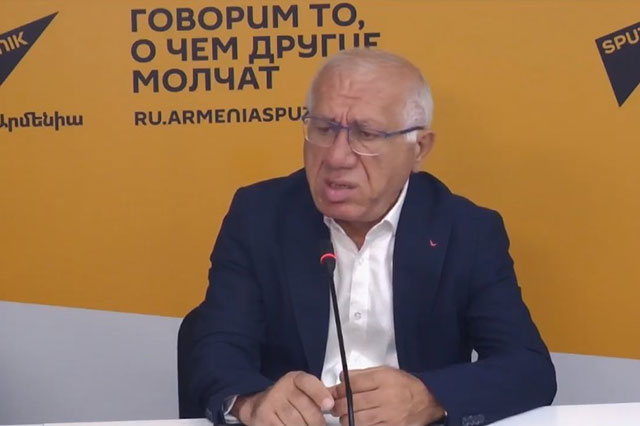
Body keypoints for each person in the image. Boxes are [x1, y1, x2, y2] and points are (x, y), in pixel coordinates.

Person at [188, 48, 556, 426]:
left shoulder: (466, 231)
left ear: (419, 149)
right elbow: (215, 351)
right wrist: (252, 403)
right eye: (323, 129)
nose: (337, 157)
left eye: (366, 134)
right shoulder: (259, 216)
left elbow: (528, 368)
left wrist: (429, 397)